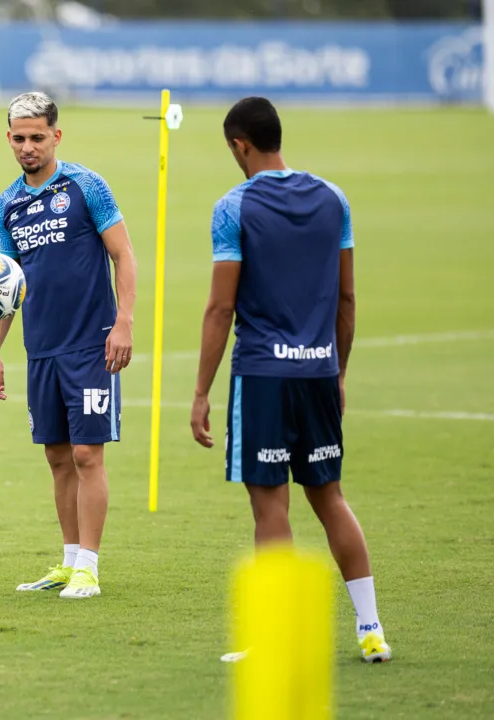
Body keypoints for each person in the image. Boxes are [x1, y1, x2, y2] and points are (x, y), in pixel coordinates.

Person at [190, 96, 390, 662]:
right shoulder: (334, 198)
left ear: (239, 145)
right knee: (330, 498)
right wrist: (340, 372)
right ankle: (370, 627)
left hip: (262, 376)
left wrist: (202, 392)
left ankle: (276, 640)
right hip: (320, 371)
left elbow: (219, 309)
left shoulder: (233, 207)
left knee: (270, 508)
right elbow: (347, 297)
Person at [0, 91, 138, 600]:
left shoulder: (85, 186)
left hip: (92, 344)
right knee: (56, 456)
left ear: (56, 135)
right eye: (19, 138)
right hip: (42, 348)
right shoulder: (8, 203)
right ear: (8, 139)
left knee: (87, 454)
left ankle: (90, 568)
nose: (28, 147)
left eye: (37, 137)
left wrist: (124, 323)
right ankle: (69, 560)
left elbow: (124, 256)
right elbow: (8, 285)